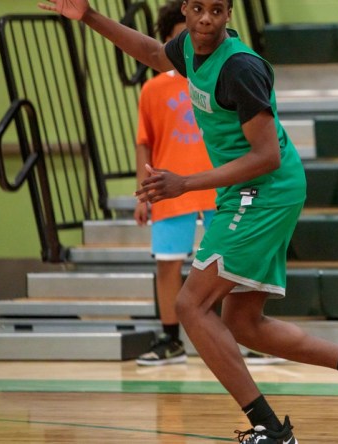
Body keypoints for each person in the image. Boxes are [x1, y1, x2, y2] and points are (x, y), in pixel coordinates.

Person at [37, 0, 338, 442]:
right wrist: (90, 17)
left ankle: (270, 428)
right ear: (186, 10)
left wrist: (186, 183)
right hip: (247, 190)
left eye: (216, 9)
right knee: (245, 324)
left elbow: (266, 155)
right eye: (198, 8)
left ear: (229, 13)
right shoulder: (191, 49)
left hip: (266, 189)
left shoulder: (241, 68)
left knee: (190, 305)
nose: (206, 19)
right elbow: (154, 54)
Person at [134, 0, 217, 367]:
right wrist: (142, 192)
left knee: (227, 262)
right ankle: (170, 339)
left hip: (216, 184)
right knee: (168, 263)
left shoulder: (220, 74)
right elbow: (144, 143)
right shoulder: (152, 89)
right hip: (169, 185)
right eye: (180, 35)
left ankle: (237, 333)